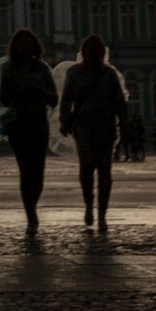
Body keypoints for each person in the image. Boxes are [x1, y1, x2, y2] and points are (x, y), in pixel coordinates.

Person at [59, 34, 129, 230]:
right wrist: (64, 121)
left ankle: (102, 213)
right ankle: (89, 204)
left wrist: (124, 123)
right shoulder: (74, 73)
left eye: (98, 49)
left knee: (105, 172)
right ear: (83, 52)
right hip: (82, 128)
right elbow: (66, 99)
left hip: (106, 128)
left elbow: (119, 102)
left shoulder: (109, 74)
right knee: (86, 168)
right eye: (90, 49)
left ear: (102, 52)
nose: (94, 53)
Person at [0, 31, 57, 230]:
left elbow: (54, 98)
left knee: (38, 171)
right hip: (19, 123)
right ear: (15, 46)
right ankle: (30, 214)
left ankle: (32, 207)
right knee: (25, 170)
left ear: (35, 46)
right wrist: (19, 89)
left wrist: (38, 90)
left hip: (39, 122)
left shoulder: (42, 68)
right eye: (21, 42)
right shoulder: (7, 68)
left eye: (29, 42)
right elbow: (3, 99)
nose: (25, 46)